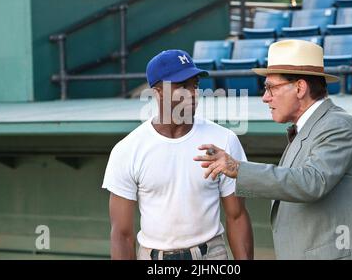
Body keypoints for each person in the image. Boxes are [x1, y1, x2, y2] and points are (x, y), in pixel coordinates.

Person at [194, 40, 352, 260]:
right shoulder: (313, 126)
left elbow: (311, 182)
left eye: (271, 87)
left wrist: (237, 168)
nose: (265, 97)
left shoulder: (338, 126)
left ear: (300, 88)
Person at [102, 49, 253, 260]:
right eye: (182, 86)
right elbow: (121, 234)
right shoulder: (128, 149)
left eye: (195, 85)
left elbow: (236, 217)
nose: (192, 93)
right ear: (158, 91)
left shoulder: (223, 139)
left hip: (210, 254)